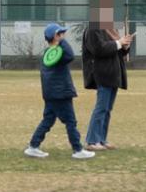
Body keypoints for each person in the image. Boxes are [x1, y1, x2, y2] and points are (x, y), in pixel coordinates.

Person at [24, 23, 95, 160]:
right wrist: (61, 40)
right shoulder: (59, 53)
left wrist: (58, 40)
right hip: (60, 93)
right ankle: (77, 149)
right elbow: (70, 55)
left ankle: (33, 146)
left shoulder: (47, 54)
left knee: (48, 120)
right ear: (55, 36)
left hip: (51, 93)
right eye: (60, 33)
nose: (63, 35)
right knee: (70, 121)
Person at [82, 12, 132, 151]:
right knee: (101, 107)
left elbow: (118, 51)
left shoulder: (110, 29)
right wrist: (118, 43)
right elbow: (98, 49)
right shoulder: (93, 28)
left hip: (113, 73)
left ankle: (101, 139)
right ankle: (92, 141)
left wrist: (125, 46)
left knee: (107, 109)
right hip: (102, 72)